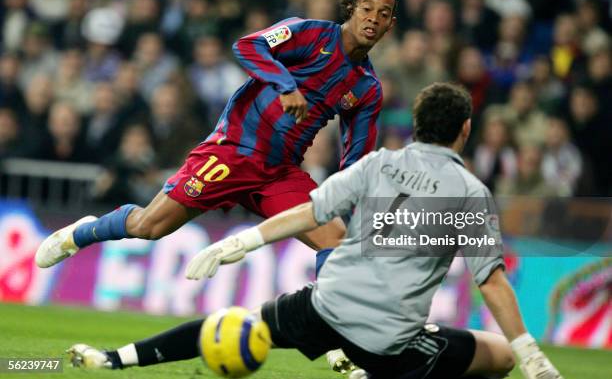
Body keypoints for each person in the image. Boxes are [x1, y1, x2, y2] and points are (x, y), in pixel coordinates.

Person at [35, 0, 397, 369]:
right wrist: (286, 85)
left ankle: (333, 335)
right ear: (351, 8)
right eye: (367, 9)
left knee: (335, 240)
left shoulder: (366, 88)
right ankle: (81, 233)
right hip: (232, 152)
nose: (373, 19)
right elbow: (247, 47)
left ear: (392, 23)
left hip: (279, 174)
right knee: (149, 227)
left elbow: (354, 160)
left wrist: (357, 208)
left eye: (384, 13)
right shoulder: (310, 34)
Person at [66, 83, 563, 379]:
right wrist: (527, 350)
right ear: (466, 130)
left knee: (237, 322)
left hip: (325, 309)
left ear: (414, 125)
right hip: (389, 341)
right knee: (496, 359)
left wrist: (242, 240)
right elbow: (491, 281)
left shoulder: (377, 165)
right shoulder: (470, 194)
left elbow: (312, 212)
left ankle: (113, 360)